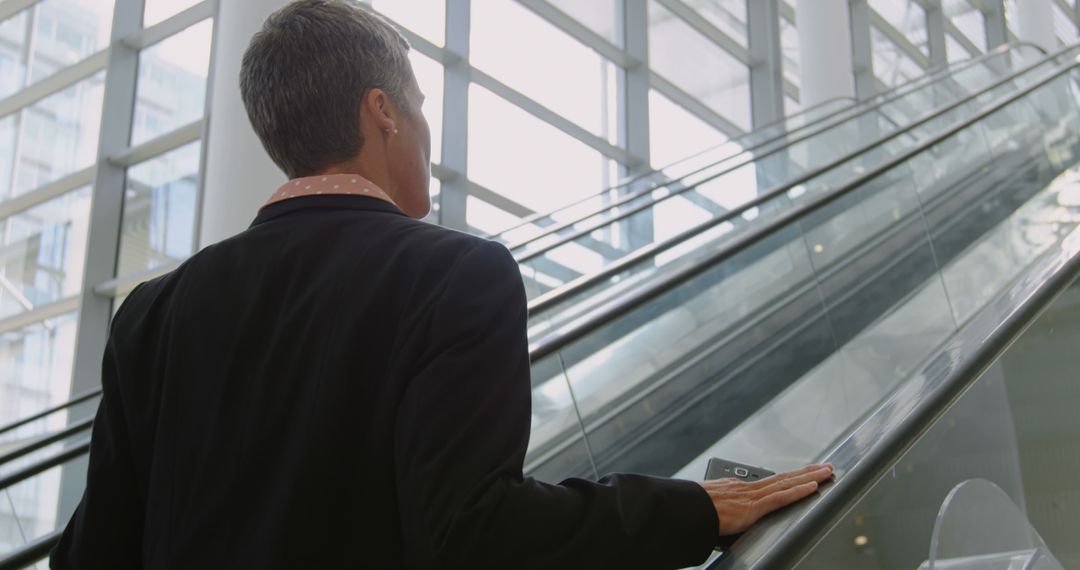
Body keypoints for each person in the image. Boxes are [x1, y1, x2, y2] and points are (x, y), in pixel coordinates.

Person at [50, 1, 832, 568]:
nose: (426, 130)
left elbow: (91, 555)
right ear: (382, 111)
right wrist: (693, 510)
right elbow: (468, 533)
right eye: (420, 105)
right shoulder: (453, 275)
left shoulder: (152, 314)